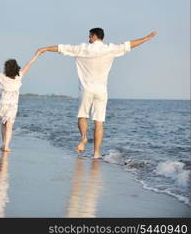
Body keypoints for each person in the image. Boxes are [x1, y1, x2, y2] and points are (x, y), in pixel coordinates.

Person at [37, 28, 157, 158]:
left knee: (82, 116)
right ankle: (96, 153)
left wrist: (45, 49)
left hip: (86, 89)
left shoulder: (82, 48)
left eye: (89, 36)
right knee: (99, 123)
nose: (88, 39)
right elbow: (128, 45)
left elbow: (62, 48)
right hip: (101, 91)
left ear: (94, 36)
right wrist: (146, 38)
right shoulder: (110, 49)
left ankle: (83, 138)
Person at [0, 51, 42, 152]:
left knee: (3, 124)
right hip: (13, 106)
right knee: (9, 125)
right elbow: (29, 64)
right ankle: (6, 145)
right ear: (16, 67)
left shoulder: (2, 77)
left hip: (3, 104)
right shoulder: (19, 75)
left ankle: (4, 144)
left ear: (6, 68)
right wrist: (36, 55)